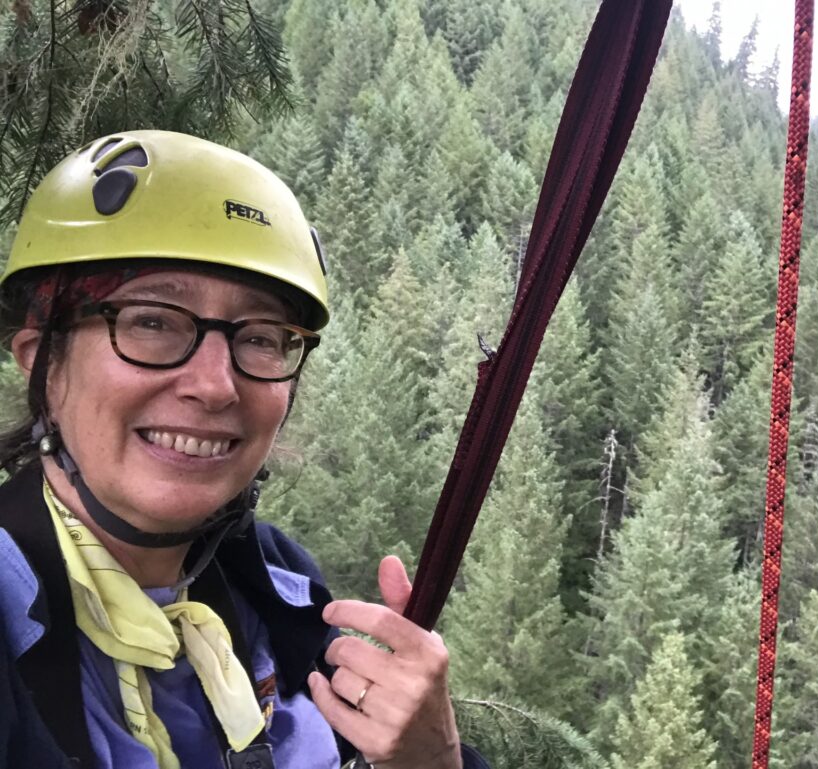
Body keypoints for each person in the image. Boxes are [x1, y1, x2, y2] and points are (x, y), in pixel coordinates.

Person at [0, 130, 491, 769]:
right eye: (151, 320)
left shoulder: (273, 585)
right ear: (45, 367)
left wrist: (432, 759)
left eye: (260, 337)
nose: (214, 385)